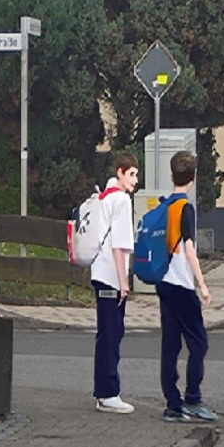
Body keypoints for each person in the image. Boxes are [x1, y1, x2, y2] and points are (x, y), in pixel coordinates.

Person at [157, 150, 216, 423]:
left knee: (170, 344)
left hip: (163, 283)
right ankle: (192, 398)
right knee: (199, 344)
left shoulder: (163, 206)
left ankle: (172, 403)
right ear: (192, 179)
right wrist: (202, 285)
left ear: (172, 176)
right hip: (181, 285)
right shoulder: (185, 209)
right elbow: (190, 250)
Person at [91, 152, 139, 413]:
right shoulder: (121, 201)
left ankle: (103, 390)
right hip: (111, 275)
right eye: (131, 174)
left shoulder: (104, 197)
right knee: (112, 333)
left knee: (105, 333)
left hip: (99, 273)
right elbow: (120, 246)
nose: (135, 180)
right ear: (120, 172)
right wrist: (124, 283)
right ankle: (109, 392)